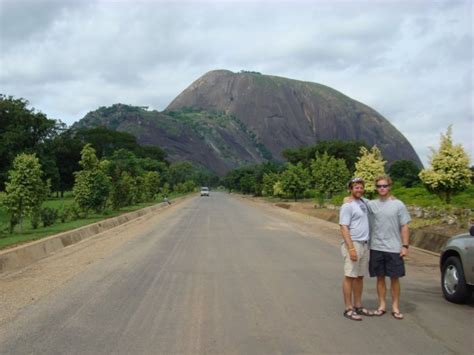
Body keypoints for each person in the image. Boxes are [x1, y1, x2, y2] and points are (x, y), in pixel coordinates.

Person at [368, 176, 411, 320]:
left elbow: (404, 226)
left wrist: (405, 246)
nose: (382, 188)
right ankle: (381, 305)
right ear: (376, 188)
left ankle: (395, 306)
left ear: (389, 187)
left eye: (384, 186)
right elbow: (357, 201)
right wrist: (346, 199)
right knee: (379, 278)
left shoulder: (398, 204)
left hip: (394, 248)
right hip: (377, 247)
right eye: (379, 186)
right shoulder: (372, 204)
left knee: (394, 278)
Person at [339, 177, 374, 321]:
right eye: (356, 187)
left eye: (361, 187)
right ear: (350, 189)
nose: (359, 189)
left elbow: (378, 203)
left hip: (365, 244)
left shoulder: (364, 202)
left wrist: (392, 198)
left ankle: (358, 305)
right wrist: (351, 248)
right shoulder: (347, 205)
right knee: (350, 276)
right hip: (353, 244)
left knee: (359, 277)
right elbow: (343, 227)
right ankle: (348, 308)